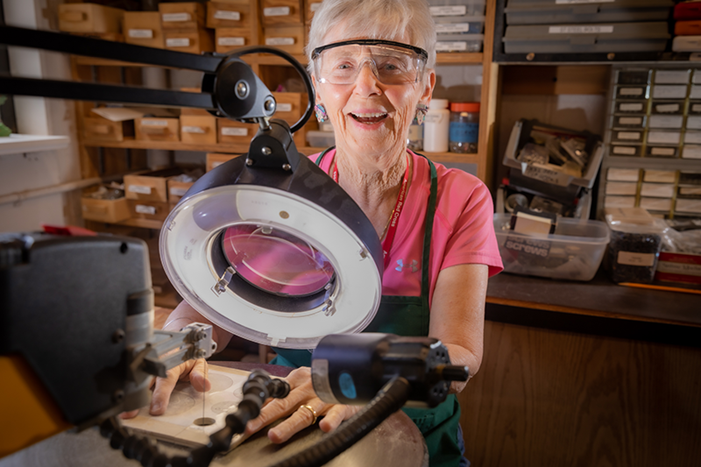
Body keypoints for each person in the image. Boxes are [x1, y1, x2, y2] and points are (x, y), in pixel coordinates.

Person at [125, 0, 503, 465]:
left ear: (425, 87)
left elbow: (460, 357)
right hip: (291, 429)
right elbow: (214, 303)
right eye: (342, 66)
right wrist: (175, 344)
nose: (367, 85)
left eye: (390, 65)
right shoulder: (279, 191)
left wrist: (346, 377)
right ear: (318, 90)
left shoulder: (461, 198)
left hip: (420, 440)